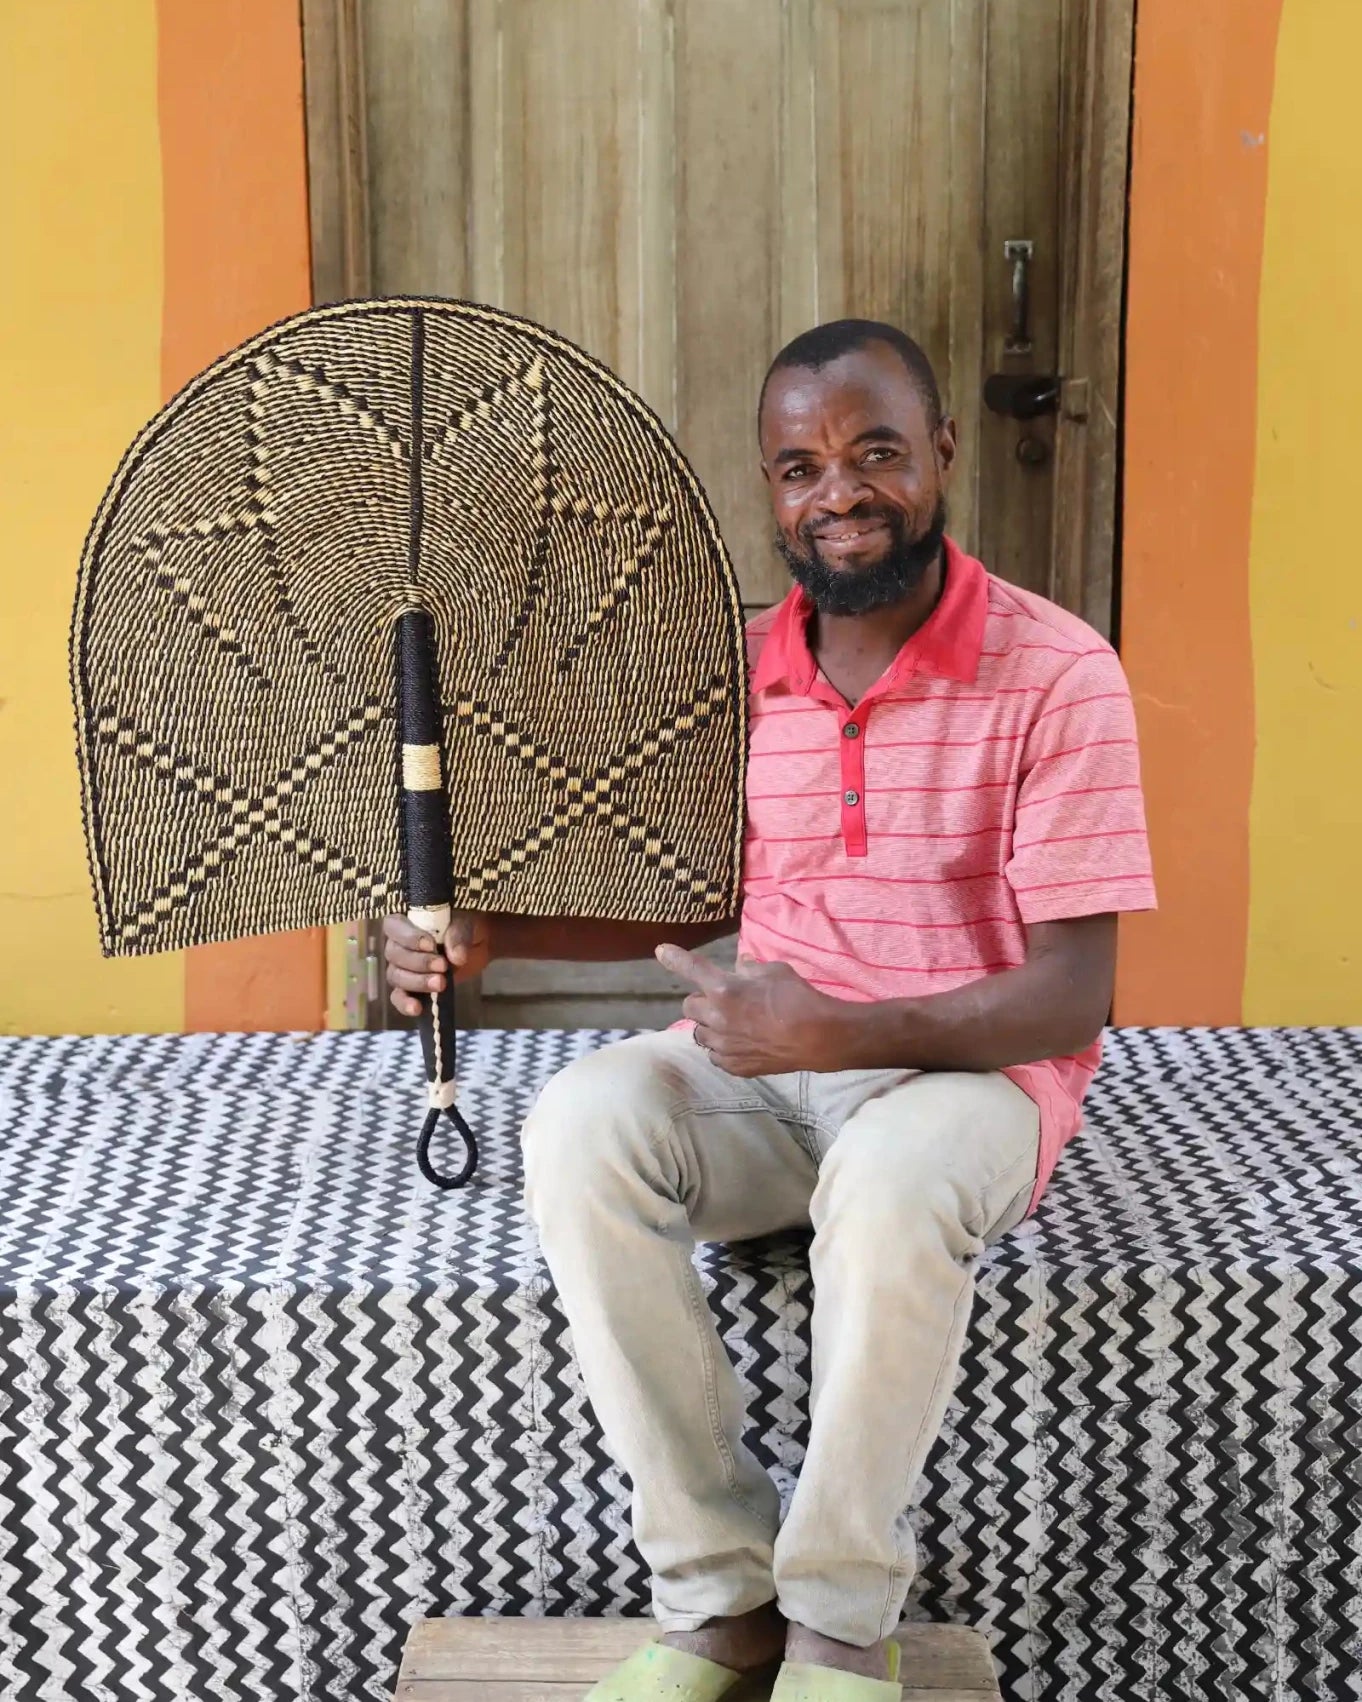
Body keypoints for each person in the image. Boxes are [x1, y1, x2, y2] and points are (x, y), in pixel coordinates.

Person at [385, 320, 1156, 1702]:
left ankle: (839, 1625)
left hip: (965, 1086)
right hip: (760, 1076)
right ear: (771, 488)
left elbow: (1071, 993)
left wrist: (838, 1033)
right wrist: (494, 937)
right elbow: (693, 892)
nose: (838, 494)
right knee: (580, 1122)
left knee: (894, 1176)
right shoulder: (741, 670)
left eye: (875, 453)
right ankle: (717, 1596)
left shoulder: (1058, 672)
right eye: (800, 469)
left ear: (943, 453)